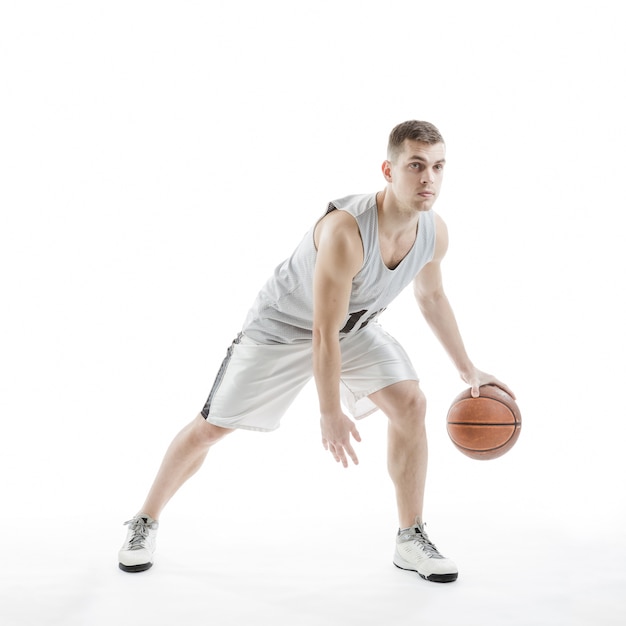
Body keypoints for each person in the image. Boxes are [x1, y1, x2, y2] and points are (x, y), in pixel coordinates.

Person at [118, 120, 514, 583]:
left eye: (438, 167)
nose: (428, 178)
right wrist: (329, 411)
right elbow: (321, 333)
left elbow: (430, 298)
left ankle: (410, 537)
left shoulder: (434, 232)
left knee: (411, 403)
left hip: (353, 327)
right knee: (211, 429)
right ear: (388, 170)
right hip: (283, 330)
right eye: (416, 166)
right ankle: (144, 520)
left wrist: (469, 370)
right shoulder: (346, 232)